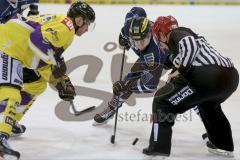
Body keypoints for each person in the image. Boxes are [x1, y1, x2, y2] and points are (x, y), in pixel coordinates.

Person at [0, 1, 95, 159]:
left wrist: (61, 83)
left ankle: (9, 120)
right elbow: (36, 40)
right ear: (79, 20)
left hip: (20, 50)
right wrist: (57, 63)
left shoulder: (63, 27)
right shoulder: (67, 27)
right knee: (11, 94)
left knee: (37, 85)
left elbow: (43, 59)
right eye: (87, 25)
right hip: (9, 45)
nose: (86, 30)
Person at [142, 15, 239, 158]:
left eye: (157, 38)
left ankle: (158, 148)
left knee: (161, 101)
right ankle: (222, 145)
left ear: (162, 34)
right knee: (208, 106)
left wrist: (179, 70)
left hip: (207, 76)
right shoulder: (176, 49)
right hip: (229, 78)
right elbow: (167, 72)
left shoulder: (177, 33)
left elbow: (190, 45)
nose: (159, 43)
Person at [94, 7, 168, 125]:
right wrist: (123, 35)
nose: (139, 46)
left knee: (186, 87)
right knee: (130, 77)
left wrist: (127, 86)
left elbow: (150, 85)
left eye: (143, 41)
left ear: (149, 33)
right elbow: (137, 10)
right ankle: (112, 108)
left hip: (171, 59)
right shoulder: (130, 25)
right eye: (135, 42)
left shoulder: (154, 53)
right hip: (148, 54)